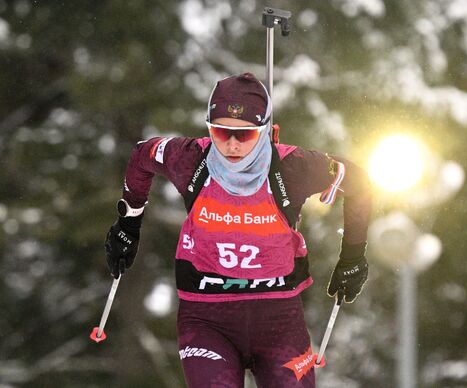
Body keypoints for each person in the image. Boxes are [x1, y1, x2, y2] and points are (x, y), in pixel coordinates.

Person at [104, 72, 370, 387]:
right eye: (220, 131)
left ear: (265, 130)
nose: (231, 144)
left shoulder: (294, 167)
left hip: (279, 320)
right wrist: (128, 224)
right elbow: (143, 154)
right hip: (206, 317)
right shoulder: (190, 158)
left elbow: (359, 181)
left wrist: (353, 256)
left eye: (244, 135)